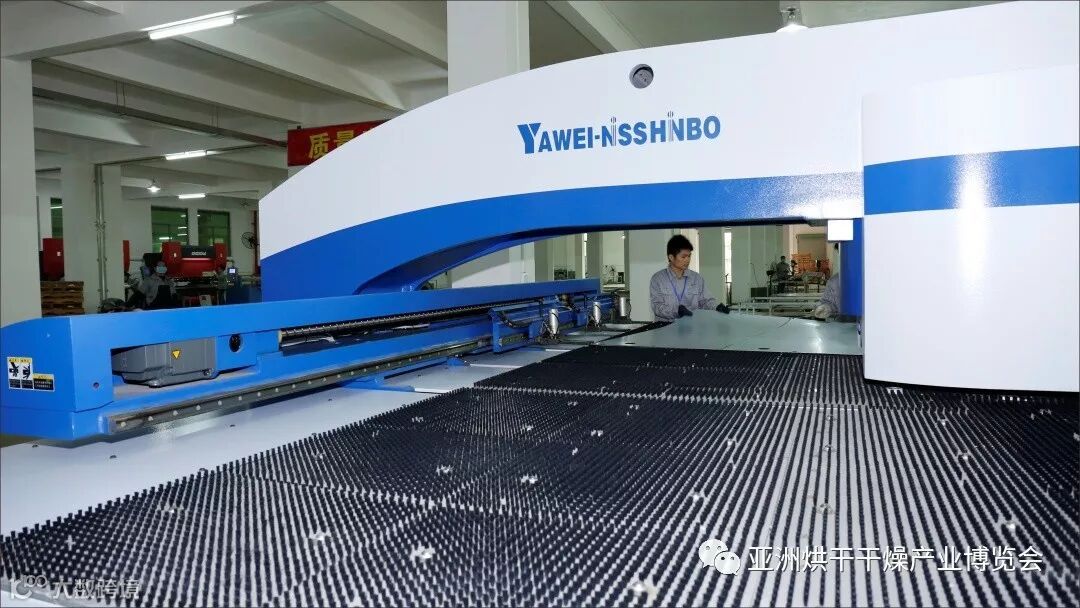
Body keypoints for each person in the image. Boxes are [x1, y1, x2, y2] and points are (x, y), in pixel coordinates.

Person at [650, 234, 730, 321]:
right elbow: (657, 306)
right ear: (671, 257)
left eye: (689, 256)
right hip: (665, 326)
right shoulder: (658, 279)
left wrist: (716, 307)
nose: (687, 260)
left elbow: (706, 301)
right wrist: (677, 311)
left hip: (691, 326)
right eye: (683, 257)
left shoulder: (697, 278)